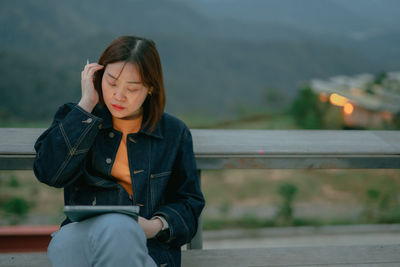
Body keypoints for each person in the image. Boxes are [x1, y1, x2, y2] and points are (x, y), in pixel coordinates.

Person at [33, 35, 205, 267]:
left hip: (148, 248)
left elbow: (189, 202)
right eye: (111, 82)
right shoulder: (77, 117)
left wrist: (154, 226)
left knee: (122, 228)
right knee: (118, 225)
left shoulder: (174, 133)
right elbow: (49, 172)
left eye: (132, 88)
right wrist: (86, 106)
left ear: (151, 88)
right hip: (79, 239)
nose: (118, 96)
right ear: (97, 77)